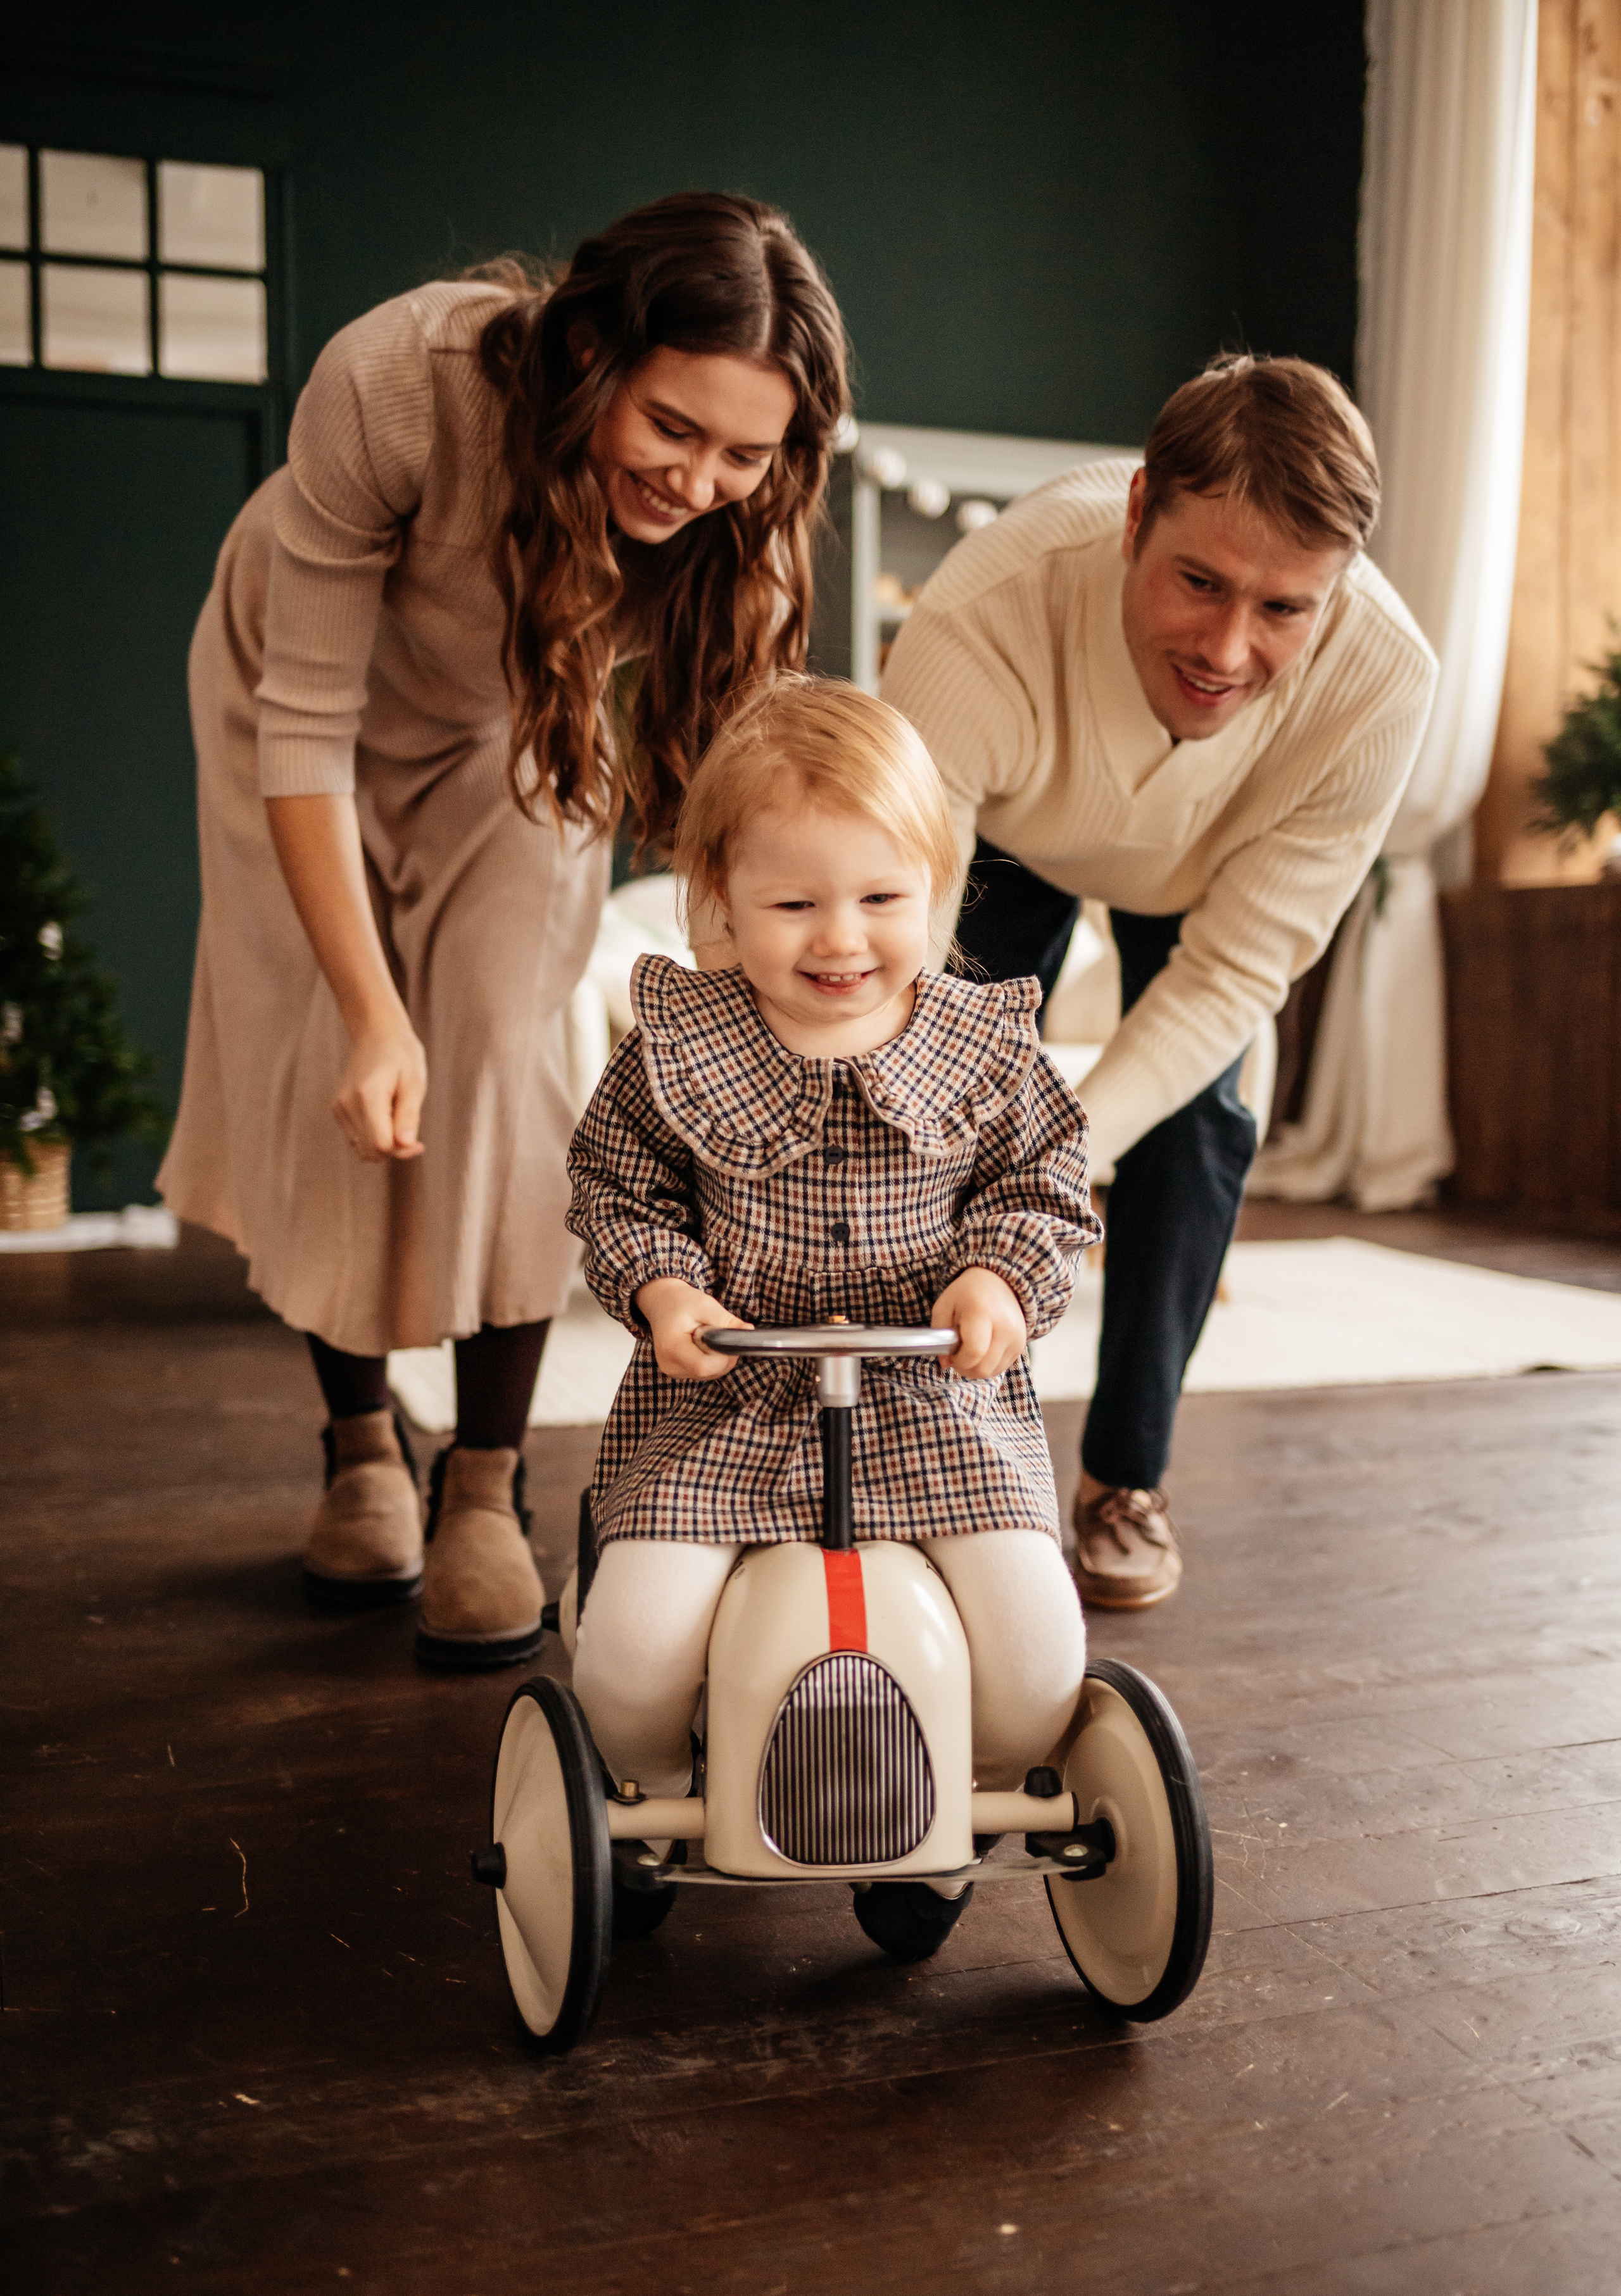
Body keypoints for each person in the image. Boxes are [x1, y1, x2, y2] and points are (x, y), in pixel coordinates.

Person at [158, 194, 849, 1669]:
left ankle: (482, 1478)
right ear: (590, 349)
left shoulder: (739, 513)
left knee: (500, 1047)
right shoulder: (396, 384)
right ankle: (359, 1446)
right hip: (287, 700)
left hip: (514, 706)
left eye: (747, 452)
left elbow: (752, 788)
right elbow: (307, 732)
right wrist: (363, 1006)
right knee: (325, 1054)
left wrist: (792, 1009)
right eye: (672, 427)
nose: (703, 479)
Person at [880, 353, 1438, 1611]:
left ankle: (1123, 1476)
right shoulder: (988, 605)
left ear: (1335, 590)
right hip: (1009, 836)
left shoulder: (1382, 680)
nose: (1227, 648)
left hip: (1210, 864)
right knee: (926, 1114)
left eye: (1284, 609)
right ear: (1136, 513)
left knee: (1196, 1129)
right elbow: (893, 934)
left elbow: (1238, 968)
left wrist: (1062, 1152)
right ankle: (923, 1446)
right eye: (1197, 580)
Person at [565, 679, 1099, 1938]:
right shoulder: (676, 1046)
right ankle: (649, 1806)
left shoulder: (986, 1047)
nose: (838, 938)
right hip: (729, 1403)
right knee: (627, 1658)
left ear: (939, 880)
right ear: (719, 897)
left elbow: (1045, 1182)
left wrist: (996, 1275)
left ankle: (934, 1811)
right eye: (792, 902)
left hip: (933, 1400)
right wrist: (659, 1282)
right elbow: (614, 1187)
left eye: (879, 897)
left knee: (1035, 1666)